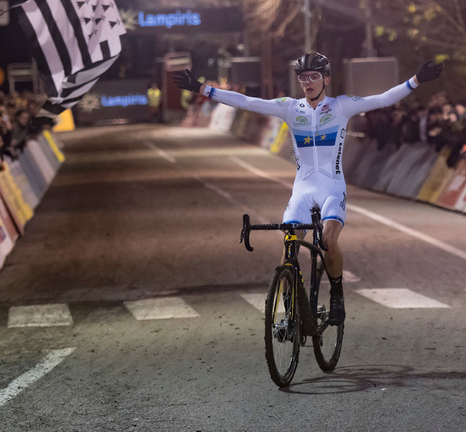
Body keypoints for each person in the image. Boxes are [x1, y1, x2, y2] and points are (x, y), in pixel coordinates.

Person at [176, 52, 444, 324]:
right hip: (302, 190)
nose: (308, 82)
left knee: (328, 241)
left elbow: (383, 99)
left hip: (332, 189)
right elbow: (246, 101)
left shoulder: (341, 106)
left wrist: (416, 80)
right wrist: (201, 88)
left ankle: (337, 296)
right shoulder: (290, 108)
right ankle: (290, 310)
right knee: (289, 242)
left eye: (314, 76)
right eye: (303, 77)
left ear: (326, 78)